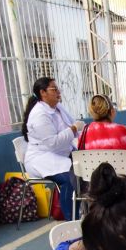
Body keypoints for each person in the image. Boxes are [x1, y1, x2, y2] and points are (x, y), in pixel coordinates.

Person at [22, 77, 85, 220]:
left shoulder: (58, 107)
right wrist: (74, 129)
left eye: (57, 89)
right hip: (42, 158)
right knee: (68, 179)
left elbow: (72, 124)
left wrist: (81, 131)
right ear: (43, 93)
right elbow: (53, 143)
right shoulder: (39, 115)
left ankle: (87, 213)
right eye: (54, 89)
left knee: (88, 166)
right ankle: (72, 222)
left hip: (62, 152)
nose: (58, 92)